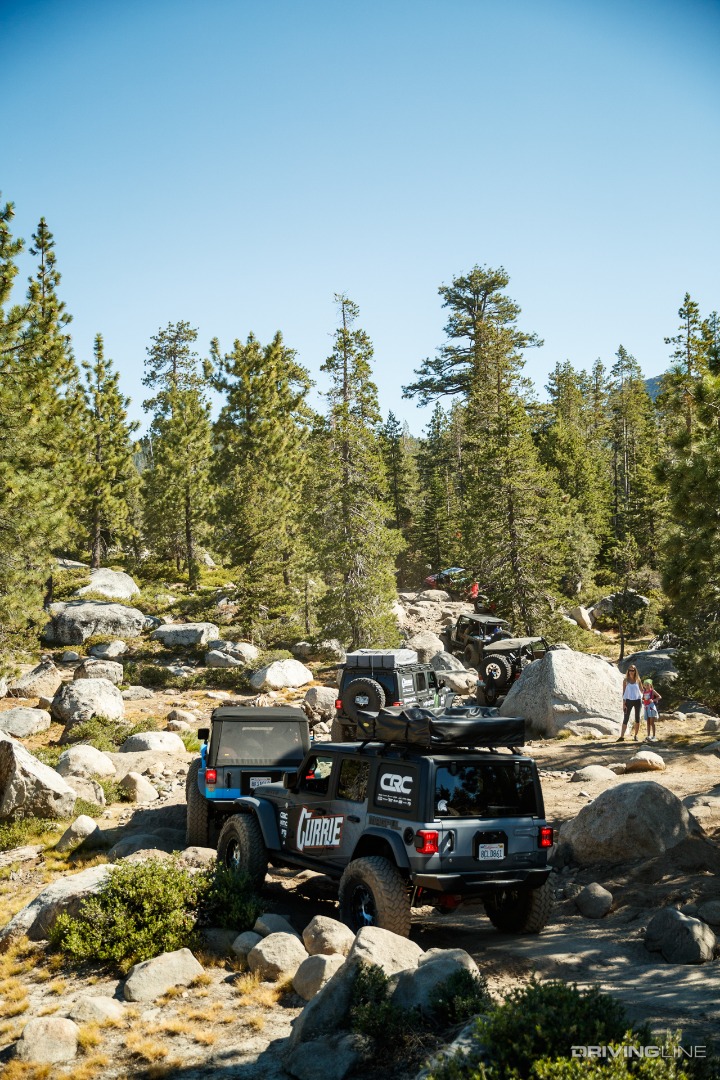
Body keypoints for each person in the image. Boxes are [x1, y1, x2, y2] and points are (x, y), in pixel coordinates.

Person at [618, 664, 644, 741]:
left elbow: (642, 690)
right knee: (626, 718)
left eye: (632, 670)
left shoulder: (638, 680)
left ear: (635, 671)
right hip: (628, 701)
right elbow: (624, 693)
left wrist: (650, 692)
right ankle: (621, 737)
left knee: (637, 718)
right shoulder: (625, 680)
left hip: (637, 701)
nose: (631, 672)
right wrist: (624, 704)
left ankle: (636, 736)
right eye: (629, 670)